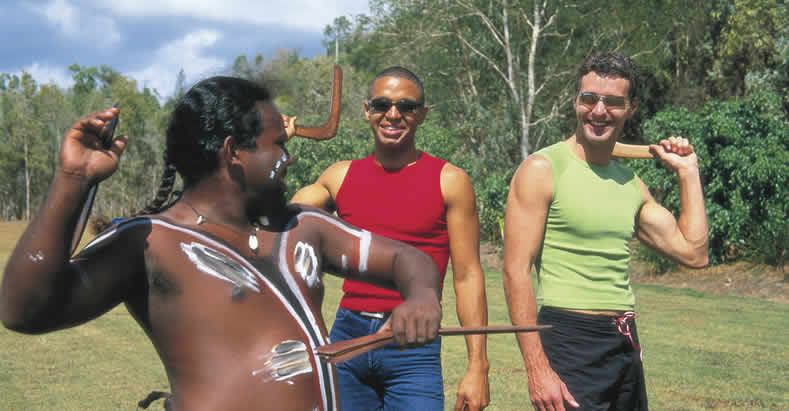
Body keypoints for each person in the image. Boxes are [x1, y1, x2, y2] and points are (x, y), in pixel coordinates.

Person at [0, 76, 442, 411]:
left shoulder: (302, 227)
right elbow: (24, 312)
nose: (288, 159)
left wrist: (421, 296)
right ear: (234, 152)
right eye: (277, 146)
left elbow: (407, 258)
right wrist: (73, 180)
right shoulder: (153, 242)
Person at [502, 52, 709, 411]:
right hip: (569, 339)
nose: (599, 111)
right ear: (576, 102)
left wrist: (688, 172)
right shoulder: (542, 169)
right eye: (589, 99)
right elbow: (514, 272)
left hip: (624, 342)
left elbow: (694, 252)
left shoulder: (630, 182)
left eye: (613, 102)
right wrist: (537, 370)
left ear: (632, 107)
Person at [290, 66, 490, 411]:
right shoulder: (339, 177)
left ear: (422, 114)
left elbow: (468, 275)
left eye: (407, 106)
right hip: (348, 340)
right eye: (382, 105)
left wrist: (478, 365)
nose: (393, 114)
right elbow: (274, 224)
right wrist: (269, 142)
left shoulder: (450, 181)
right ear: (368, 110)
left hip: (414, 344)